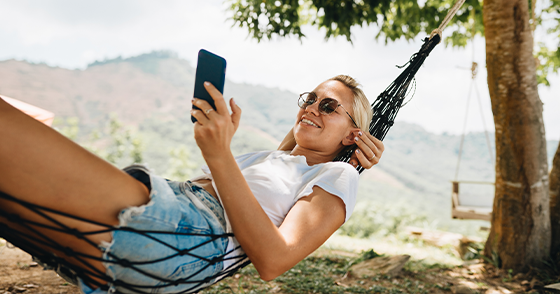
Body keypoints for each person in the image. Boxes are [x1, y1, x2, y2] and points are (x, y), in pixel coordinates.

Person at [0, 74, 384, 293]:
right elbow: (296, 141)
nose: (312, 107)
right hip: (174, 223)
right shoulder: (278, 161)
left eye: (329, 105)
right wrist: (321, 122)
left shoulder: (337, 174)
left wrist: (219, 155)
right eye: (309, 98)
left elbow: (274, 261)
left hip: (186, 235)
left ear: (353, 134)